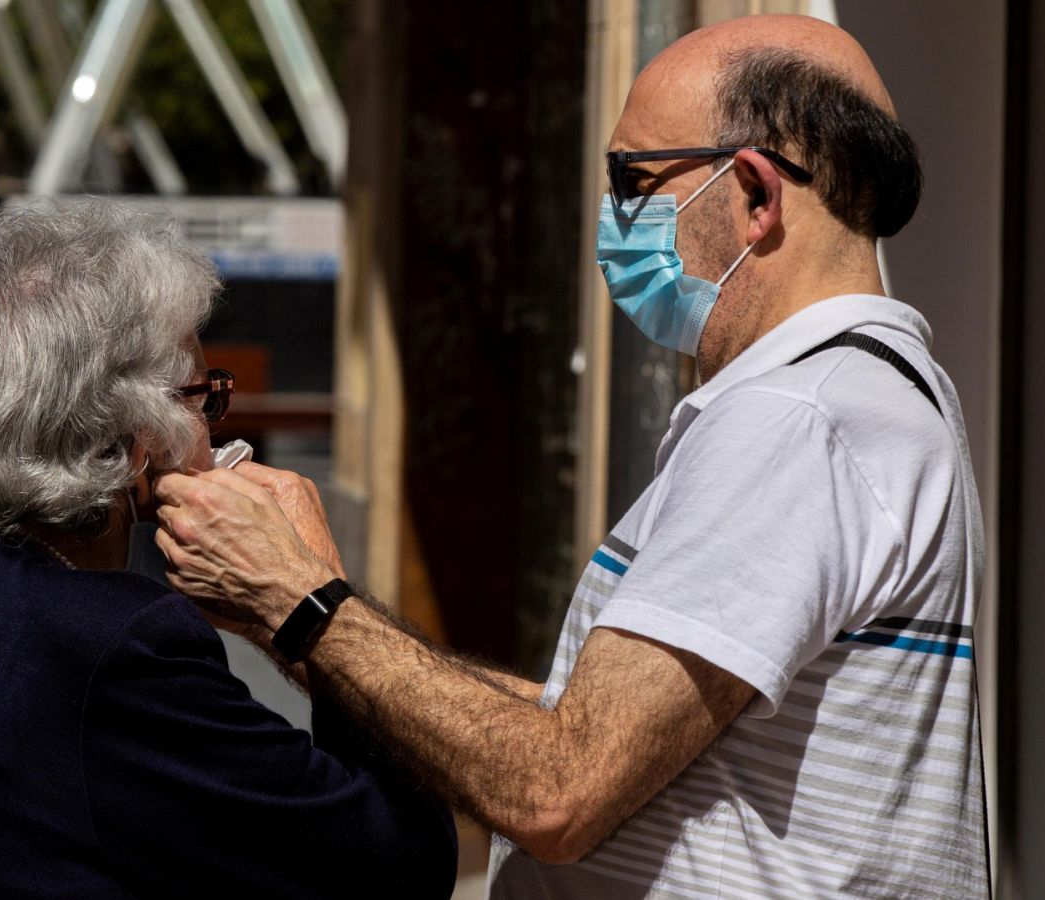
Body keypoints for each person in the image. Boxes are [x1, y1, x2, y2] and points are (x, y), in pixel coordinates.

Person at [152, 15, 988, 898]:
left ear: (753, 195)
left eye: (632, 178)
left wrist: (305, 602)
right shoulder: (848, 398)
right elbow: (585, 730)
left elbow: (558, 788)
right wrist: (307, 624)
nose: (612, 216)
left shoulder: (798, 419)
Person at [0, 199, 457, 899]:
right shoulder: (112, 650)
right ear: (140, 442)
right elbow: (398, 863)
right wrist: (312, 599)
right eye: (203, 399)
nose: (216, 430)